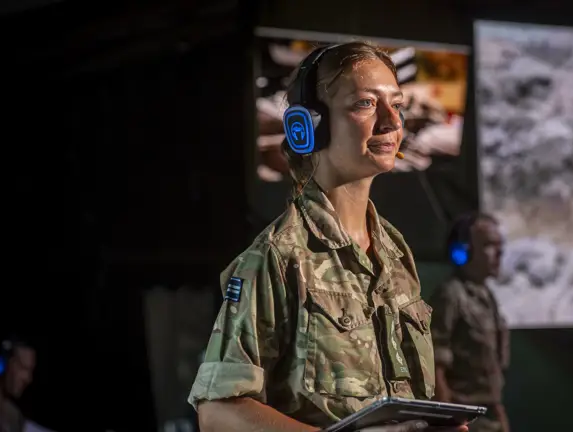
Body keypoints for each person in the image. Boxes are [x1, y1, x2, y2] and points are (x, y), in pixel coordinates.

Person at [188, 42, 467, 432]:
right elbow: (218, 411)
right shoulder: (278, 256)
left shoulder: (394, 250)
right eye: (366, 104)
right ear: (307, 126)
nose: (391, 123)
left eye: (397, 105)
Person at [430, 214, 511, 432]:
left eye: (499, 245)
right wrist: (446, 420)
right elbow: (435, 363)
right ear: (462, 251)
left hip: (489, 417)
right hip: (462, 419)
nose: (499, 253)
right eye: (489, 245)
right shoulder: (451, 295)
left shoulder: (488, 298)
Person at [0, 337, 36, 432]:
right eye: (24, 368)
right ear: (4, 363)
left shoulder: (15, 417)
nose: (28, 379)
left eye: (30, 371)